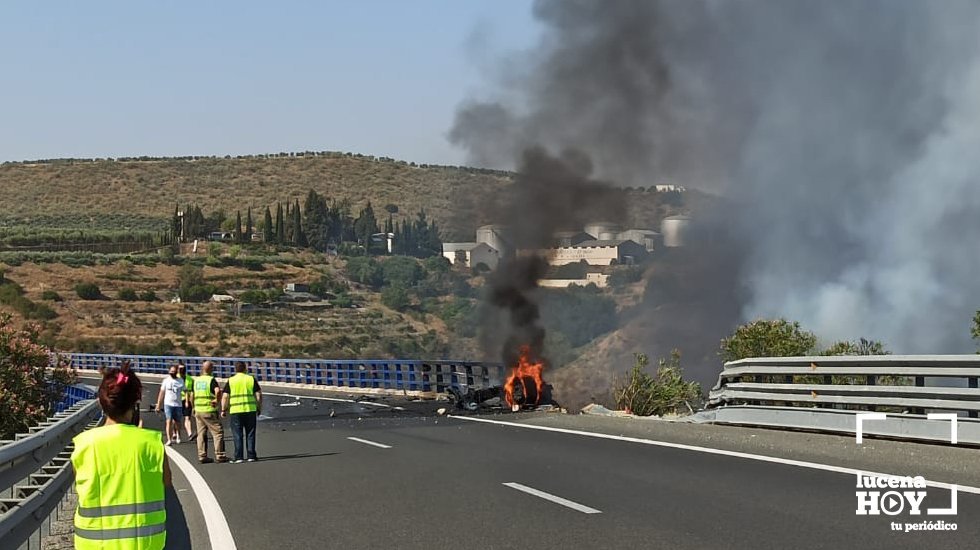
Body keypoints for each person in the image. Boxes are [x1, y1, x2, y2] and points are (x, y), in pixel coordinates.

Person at [72, 366, 170, 550]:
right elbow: (166, 482)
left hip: (93, 544)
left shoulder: (84, 444)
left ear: (101, 403)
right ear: (135, 403)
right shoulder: (151, 443)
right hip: (144, 544)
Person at [221, 361, 262, 463]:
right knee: (250, 433)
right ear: (245, 369)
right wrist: (259, 407)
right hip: (250, 409)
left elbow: (225, 396)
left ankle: (239, 457)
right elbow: (259, 395)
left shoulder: (231, 380)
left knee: (237, 434)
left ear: (235, 369)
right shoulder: (251, 379)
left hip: (235, 411)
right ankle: (251, 455)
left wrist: (223, 409)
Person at [191, 360, 228, 464]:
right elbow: (217, 391)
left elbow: (192, 395)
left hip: (198, 410)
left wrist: (193, 407)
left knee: (201, 434)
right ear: (211, 369)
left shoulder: (197, 380)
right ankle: (220, 454)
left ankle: (202, 455)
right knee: (218, 432)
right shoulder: (211, 380)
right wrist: (217, 400)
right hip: (209, 410)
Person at [154, 364, 185, 445]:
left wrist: (188, 401)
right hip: (168, 403)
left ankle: (178, 435)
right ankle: (169, 439)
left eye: (174, 372)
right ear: (169, 372)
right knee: (169, 421)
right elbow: (162, 393)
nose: (172, 373)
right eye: (171, 371)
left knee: (178, 421)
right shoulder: (166, 381)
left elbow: (185, 391)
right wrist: (158, 405)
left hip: (178, 404)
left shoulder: (180, 380)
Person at [178, 363, 196, 441]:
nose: (182, 371)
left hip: (186, 400)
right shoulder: (175, 378)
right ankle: (176, 434)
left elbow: (192, 391)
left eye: (183, 369)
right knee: (176, 419)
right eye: (180, 369)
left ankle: (190, 434)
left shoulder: (190, 379)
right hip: (177, 400)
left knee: (187, 417)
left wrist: (191, 402)